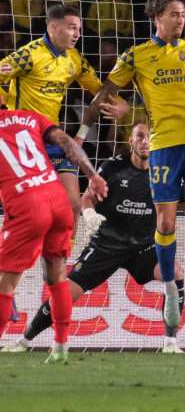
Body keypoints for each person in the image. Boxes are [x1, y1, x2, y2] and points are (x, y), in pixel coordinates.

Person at [3, 119, 185, 355]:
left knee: (176, 273)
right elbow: (86, 199)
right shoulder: (114, 167)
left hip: (144, 248)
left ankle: (170, 344)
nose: (145, 142)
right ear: (130, 141)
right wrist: (89, 214)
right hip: (107, 244)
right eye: (139, 136)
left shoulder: (167, 174)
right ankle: (24, 340)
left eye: (149, 137)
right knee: (64, 292)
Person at [82, 0, 185, 324]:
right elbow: (107, 91)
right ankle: (169, 289)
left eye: (183, 15)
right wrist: (90, 124)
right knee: (165, 223)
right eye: (174, 14)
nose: (181, 20)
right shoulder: (137, 55)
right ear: (157, 17)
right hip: (163, 147)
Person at [0, 107, 107, 364]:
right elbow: (68, 144)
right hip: (58, 200)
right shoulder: (30, 116)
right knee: (57, 275)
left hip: (27, 204)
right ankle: (60, 346)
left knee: (6, 283)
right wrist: (92, 175)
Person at [0, 4, 114, 245]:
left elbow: (98, 90)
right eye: (72, 28)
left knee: (73, 206)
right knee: (31, 210)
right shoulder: (28, 54)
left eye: (79, 29)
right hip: (23, 140)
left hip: (52, 137)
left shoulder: (75, 59)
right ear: (53, 27)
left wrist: (119, 103)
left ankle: (58, 265)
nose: (77, 34)